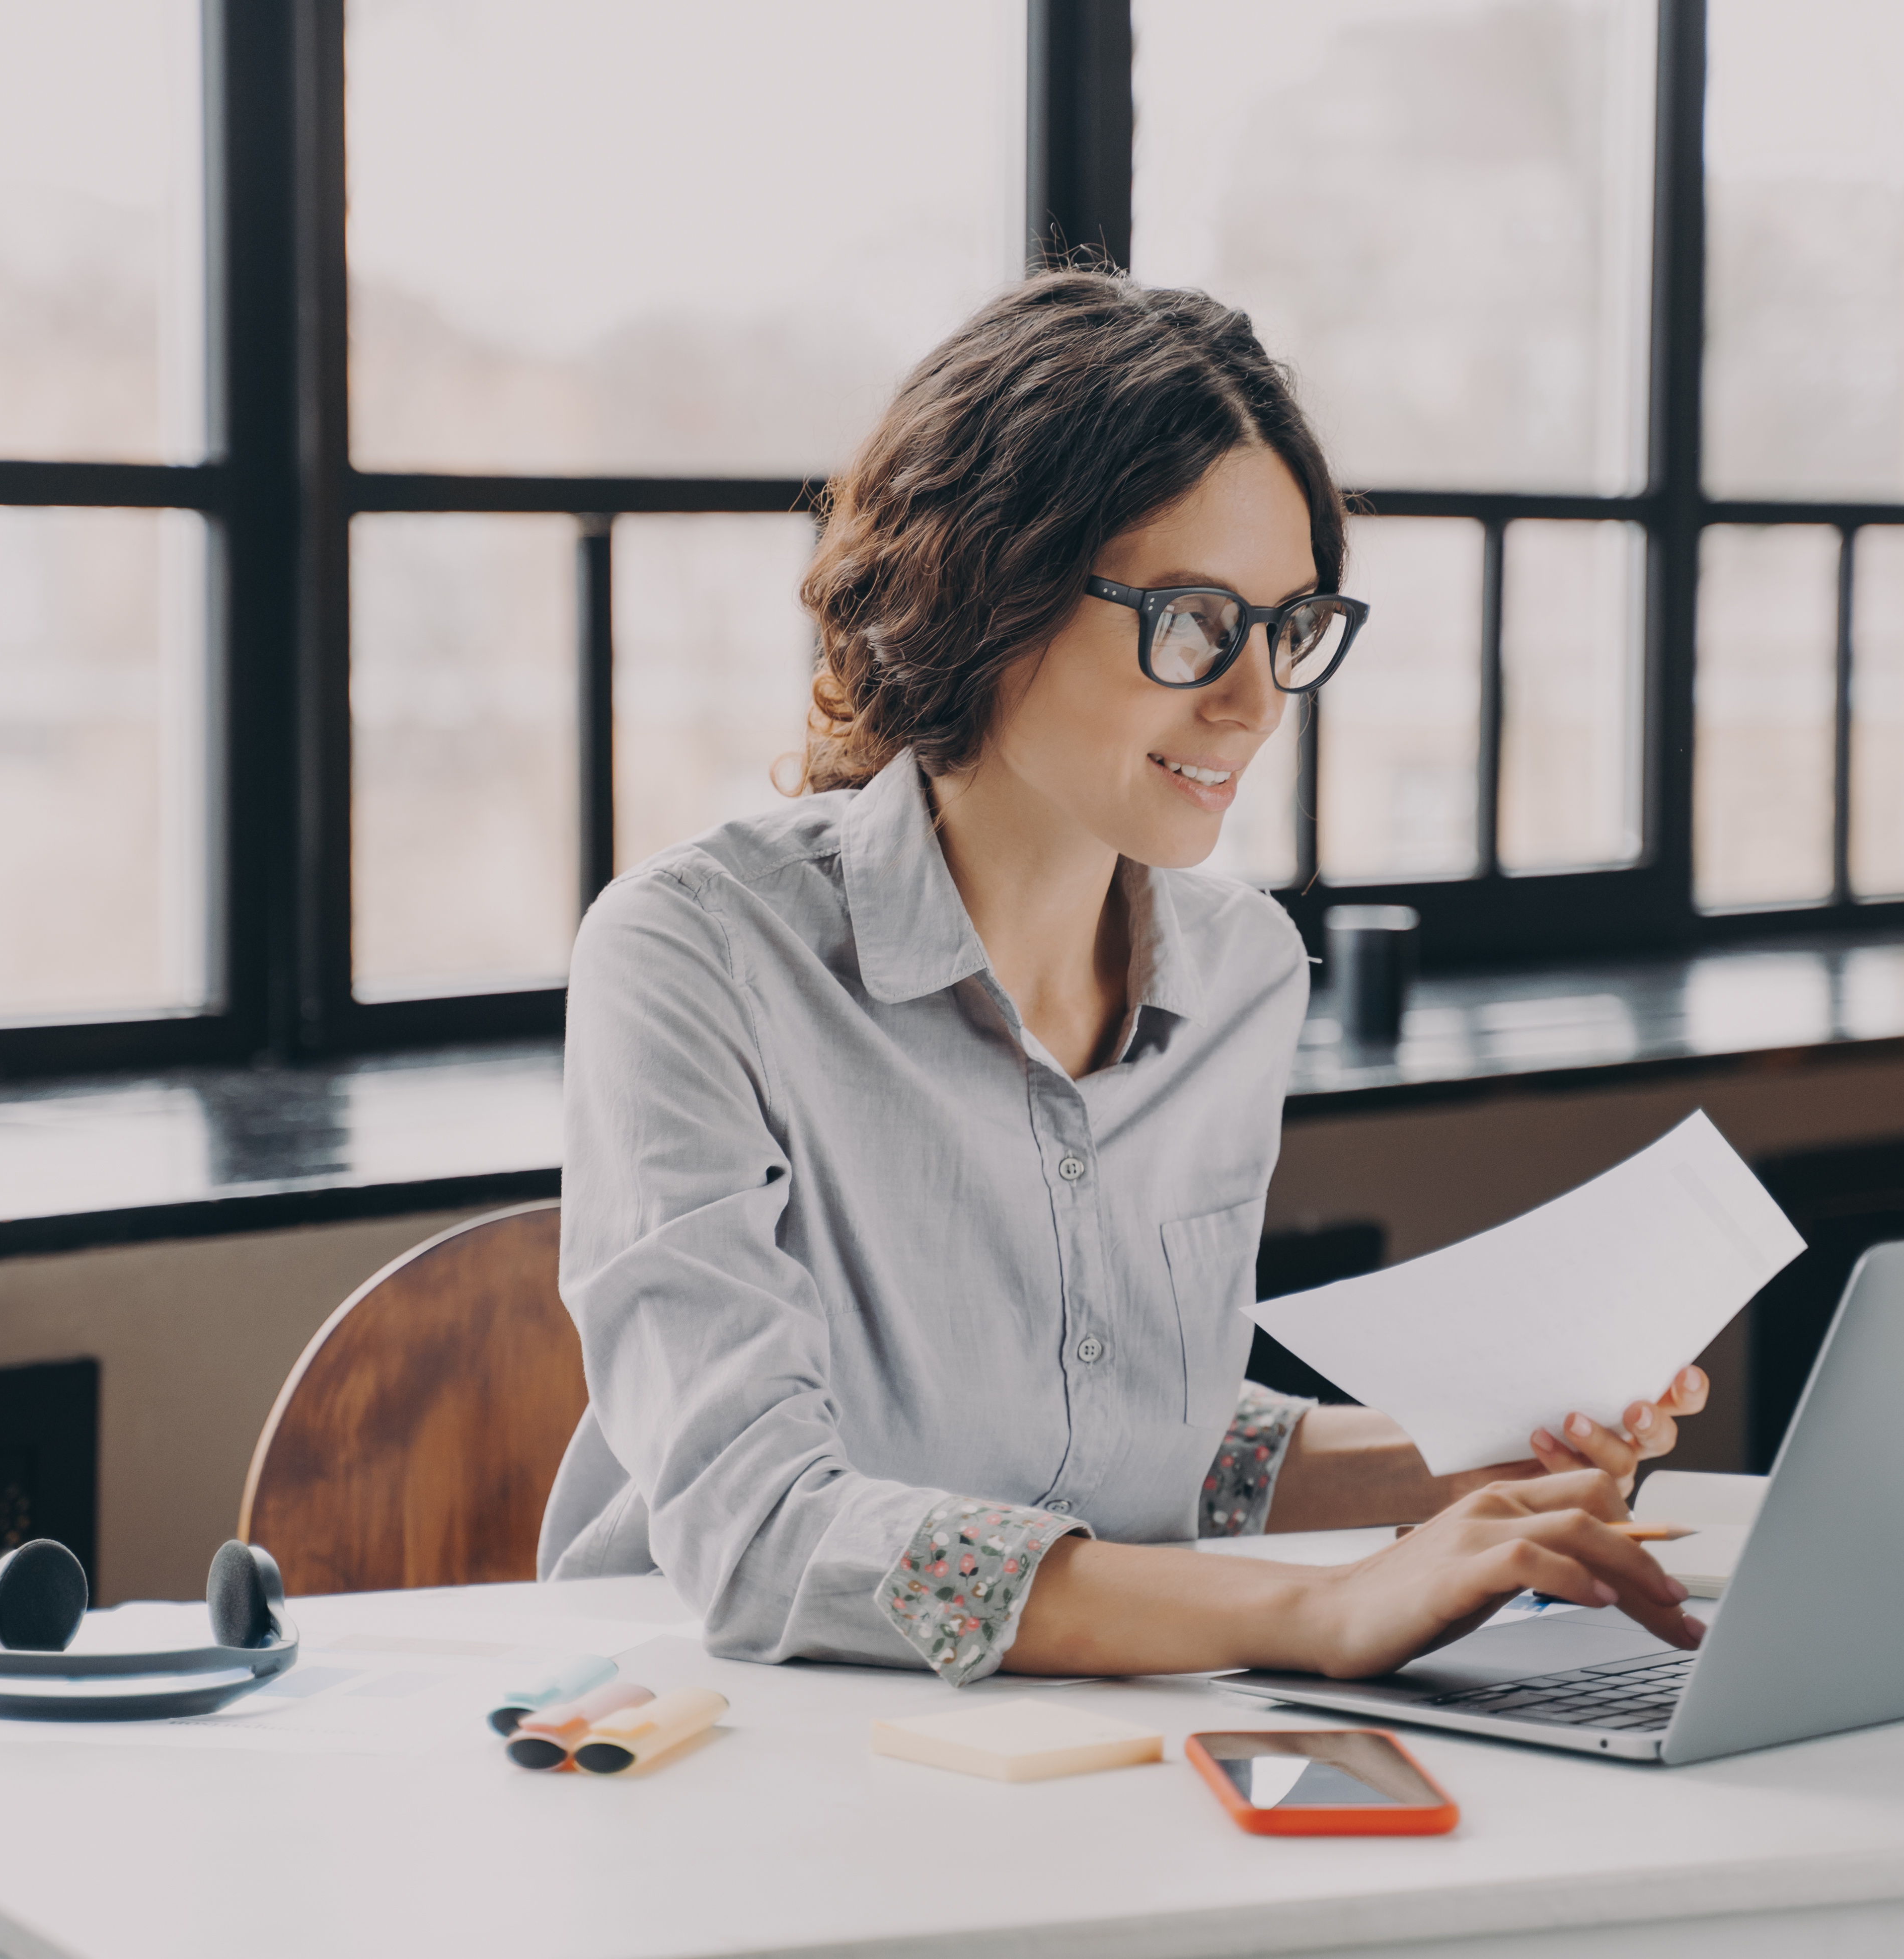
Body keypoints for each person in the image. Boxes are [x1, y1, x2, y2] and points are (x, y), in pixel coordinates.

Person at [539, 269, 1708, 1685]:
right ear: (991, 586)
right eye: (1193, 619)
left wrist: (1490, 1456)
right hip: (707, 1737)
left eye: (1288, 626)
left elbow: (1134, 1443)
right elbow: (760, 1527)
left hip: (1080, 1744)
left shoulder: (1241, 976)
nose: (1253, 699)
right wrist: (1320, 1612)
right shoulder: (695, 954)